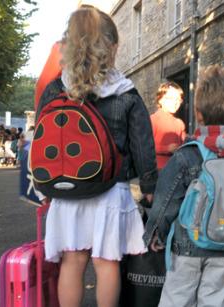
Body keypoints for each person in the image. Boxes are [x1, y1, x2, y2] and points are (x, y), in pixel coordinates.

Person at [36, 7, 157, 307]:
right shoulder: (125, 92)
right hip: (110, 191)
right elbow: (143, 145)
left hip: (66, 193)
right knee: (107, 263)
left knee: (72, 262)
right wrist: (150, 187)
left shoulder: (55, 89)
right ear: (112, 47)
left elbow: (42, 137)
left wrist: (42, 187)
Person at [144, 66, 224, 307]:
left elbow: (166, 199)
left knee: (177, 296)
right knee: (216, 298)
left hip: (188, 242)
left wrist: (155, 232)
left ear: (198, 114)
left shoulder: (189, 154)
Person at [150, 82, 187, 170]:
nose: (175, 102)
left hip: (176, 169)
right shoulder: (153, 119)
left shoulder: (180, 123)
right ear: (160, 100)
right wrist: (166, 148)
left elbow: (184, 146)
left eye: (178, 99)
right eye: (170, 98)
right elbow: (144, 147)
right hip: (156, 170)